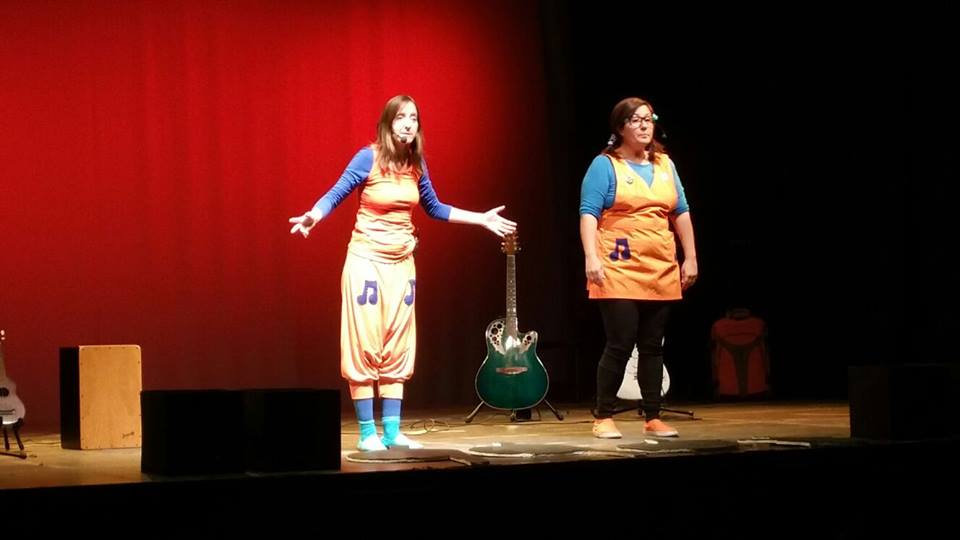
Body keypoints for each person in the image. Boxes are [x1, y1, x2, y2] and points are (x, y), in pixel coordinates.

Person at [289, 95, 516, 451]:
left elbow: (435, 208)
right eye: (401, 118)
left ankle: (392, 431)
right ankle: (368, 432)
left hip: (402, 263)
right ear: (387, 123)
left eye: (414, 117)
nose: (409, 123)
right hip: (367, 259)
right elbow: (336, 193)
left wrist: (481, 219)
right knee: (365, 341)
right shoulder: (368, 158)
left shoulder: (416, 164)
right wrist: (313, 216)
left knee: (398, 342)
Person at [579, 97, 698, 439]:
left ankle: (653, 415)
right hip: (618, 266)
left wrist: (690, 257)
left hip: (659, 265)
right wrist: (591, 257)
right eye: (636, 120)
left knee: (652, 345)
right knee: (620, 342)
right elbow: (589, 213)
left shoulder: (665, 164)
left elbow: (681, 212)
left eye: (648, 119)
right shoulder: (605, 165)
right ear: (620, 128)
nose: (645, 125)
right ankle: (603, 416)